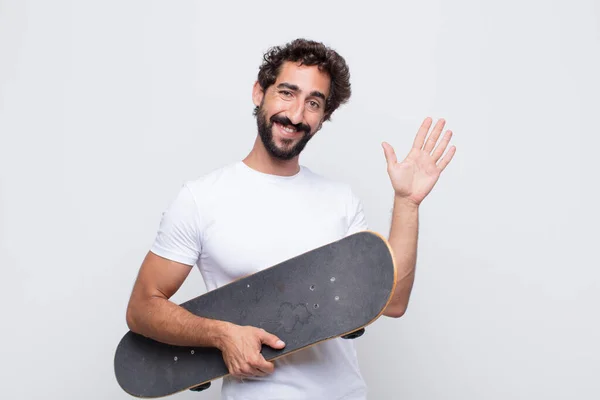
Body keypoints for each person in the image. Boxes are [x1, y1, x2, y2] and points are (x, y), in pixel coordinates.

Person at [124, 38, 456, 400]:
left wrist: (407, 202)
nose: (296, 115)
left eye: (313, 103)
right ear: (258, 92)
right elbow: (142, 308)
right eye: (286, 93)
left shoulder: (340, 200)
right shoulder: (201, 199)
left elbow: (392, 302)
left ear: (323, 117)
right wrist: (221, 335)